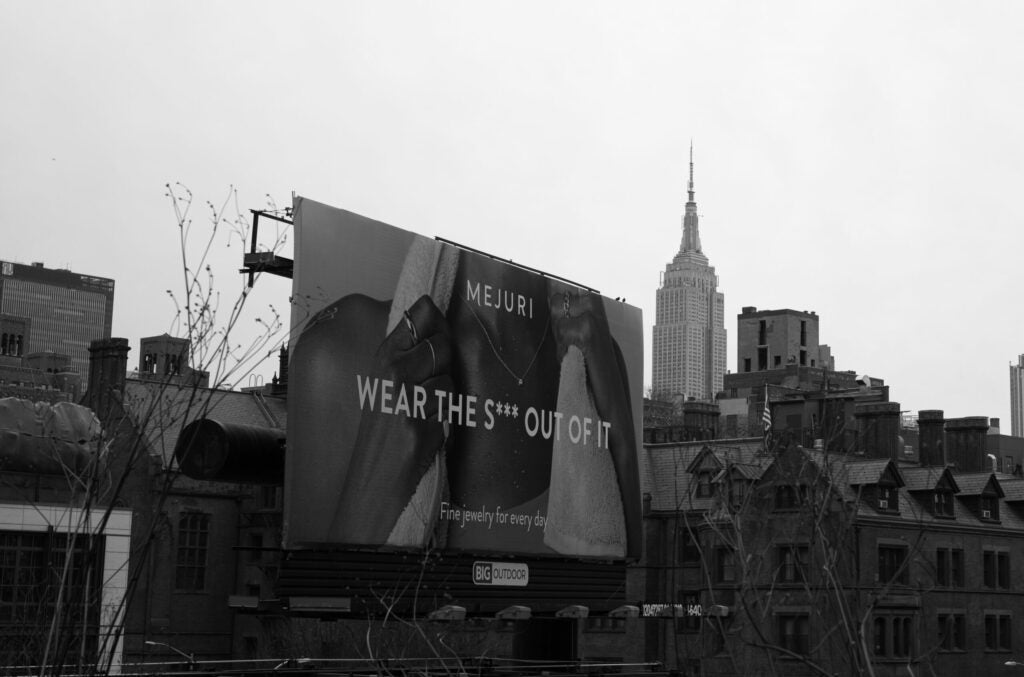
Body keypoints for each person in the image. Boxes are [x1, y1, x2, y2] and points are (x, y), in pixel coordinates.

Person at [288, 239, 641, 559]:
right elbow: (311, 614)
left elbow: (617, 593)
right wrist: (377, 480)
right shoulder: (340, 349)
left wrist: (620, 437)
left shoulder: (597, 357)